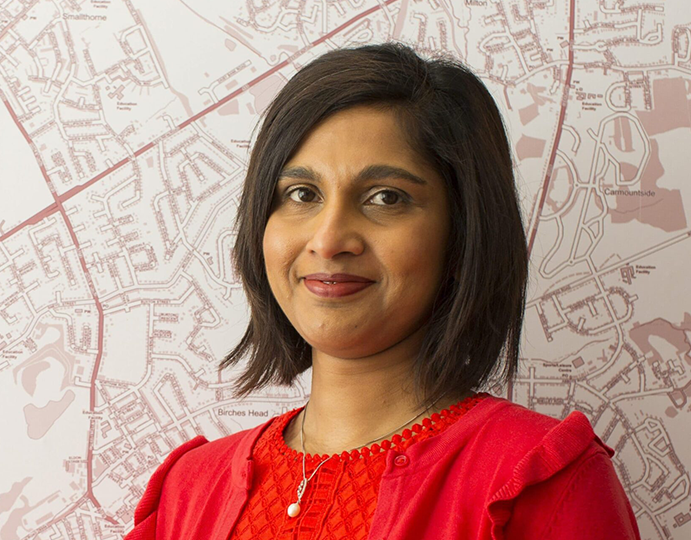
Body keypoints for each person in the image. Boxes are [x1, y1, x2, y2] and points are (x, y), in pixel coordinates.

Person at [124, 41, 641, 540]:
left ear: (463, 237)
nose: (328, 240)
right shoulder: (189, 489)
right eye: (301, 194)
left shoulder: (535, 480)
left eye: (385, 198)